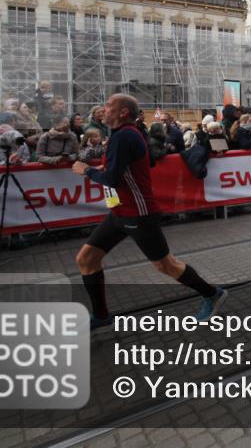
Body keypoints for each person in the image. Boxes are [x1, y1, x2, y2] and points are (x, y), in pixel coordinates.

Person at [72, 93, 226, 329]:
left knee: (166, 265)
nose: (104, 109)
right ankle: (101, 315)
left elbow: (112, 179)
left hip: (139, 213)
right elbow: (146, 163)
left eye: (108, 105)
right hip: (120, 213)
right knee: (87, 259)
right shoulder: (127, 133)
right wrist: (113, 164)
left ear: (123, 112)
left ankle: (212, 293)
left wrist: (86, 170)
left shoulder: (123, 136)